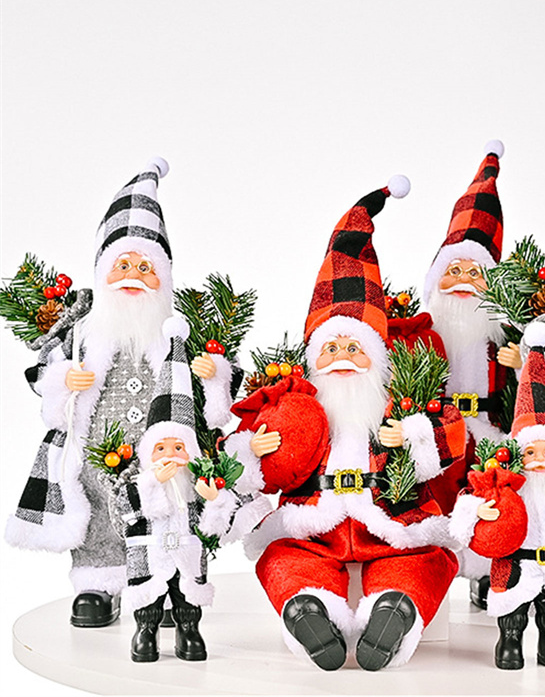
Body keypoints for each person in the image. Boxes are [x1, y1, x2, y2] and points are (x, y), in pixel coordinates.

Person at [224, 177, 466, 671]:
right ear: (312, 357)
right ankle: (307, 609)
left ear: (377, 358)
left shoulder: (399, 400)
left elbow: (452, 430)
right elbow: (246, 448)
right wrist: (255, 448)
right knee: (282, 557)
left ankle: (394, 610)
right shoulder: (297, 401)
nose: (342, 357)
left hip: (392, 520)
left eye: (355, 347)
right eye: (330, 348)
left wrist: (415, 433)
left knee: (425, 559)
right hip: (313, 521)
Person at [5, 159, 235, 627]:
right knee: (95, 515)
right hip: (95, 454)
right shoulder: (83, 333)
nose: (133, 275)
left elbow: (213, 409)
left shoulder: (175, 332)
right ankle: (98, 584)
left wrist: (214, 375)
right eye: (122, 265)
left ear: (164, 277)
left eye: (146, 267)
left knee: (166, 513)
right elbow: (44, 377)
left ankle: (167, 585)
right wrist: (63, 380)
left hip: (162, 456)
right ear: (102, 270)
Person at [451, 328, 545, 670]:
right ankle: (510, 641)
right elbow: (466, 501)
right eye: (531, 452)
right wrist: (479, 510)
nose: (539, 459)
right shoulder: (506, 484)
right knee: (513, 612)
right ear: (518, 454)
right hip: (515, 562)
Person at [422, 141, 520, 607]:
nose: (462, 279)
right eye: (453, 270)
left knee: (492, 500)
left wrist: (520, 364)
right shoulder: (424, 334)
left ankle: (488, 570)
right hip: (441, 433)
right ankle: (433, 572)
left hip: (490, 432)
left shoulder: (504, 336)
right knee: (437, 499)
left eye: (474, 273)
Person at [117, 316, 239, 662]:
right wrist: (151, 483)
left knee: (187, 598)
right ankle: (146, 632)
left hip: (188, 553)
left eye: (178, 447)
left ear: (191, 453)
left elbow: (214, 531)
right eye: (161, 448)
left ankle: (189, 631)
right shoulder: (137, 482)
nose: (170, 454)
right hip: (148, 553)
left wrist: (215, 501)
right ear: (147, 454)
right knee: (149, 599)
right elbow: (124, 516)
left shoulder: (196, 485)